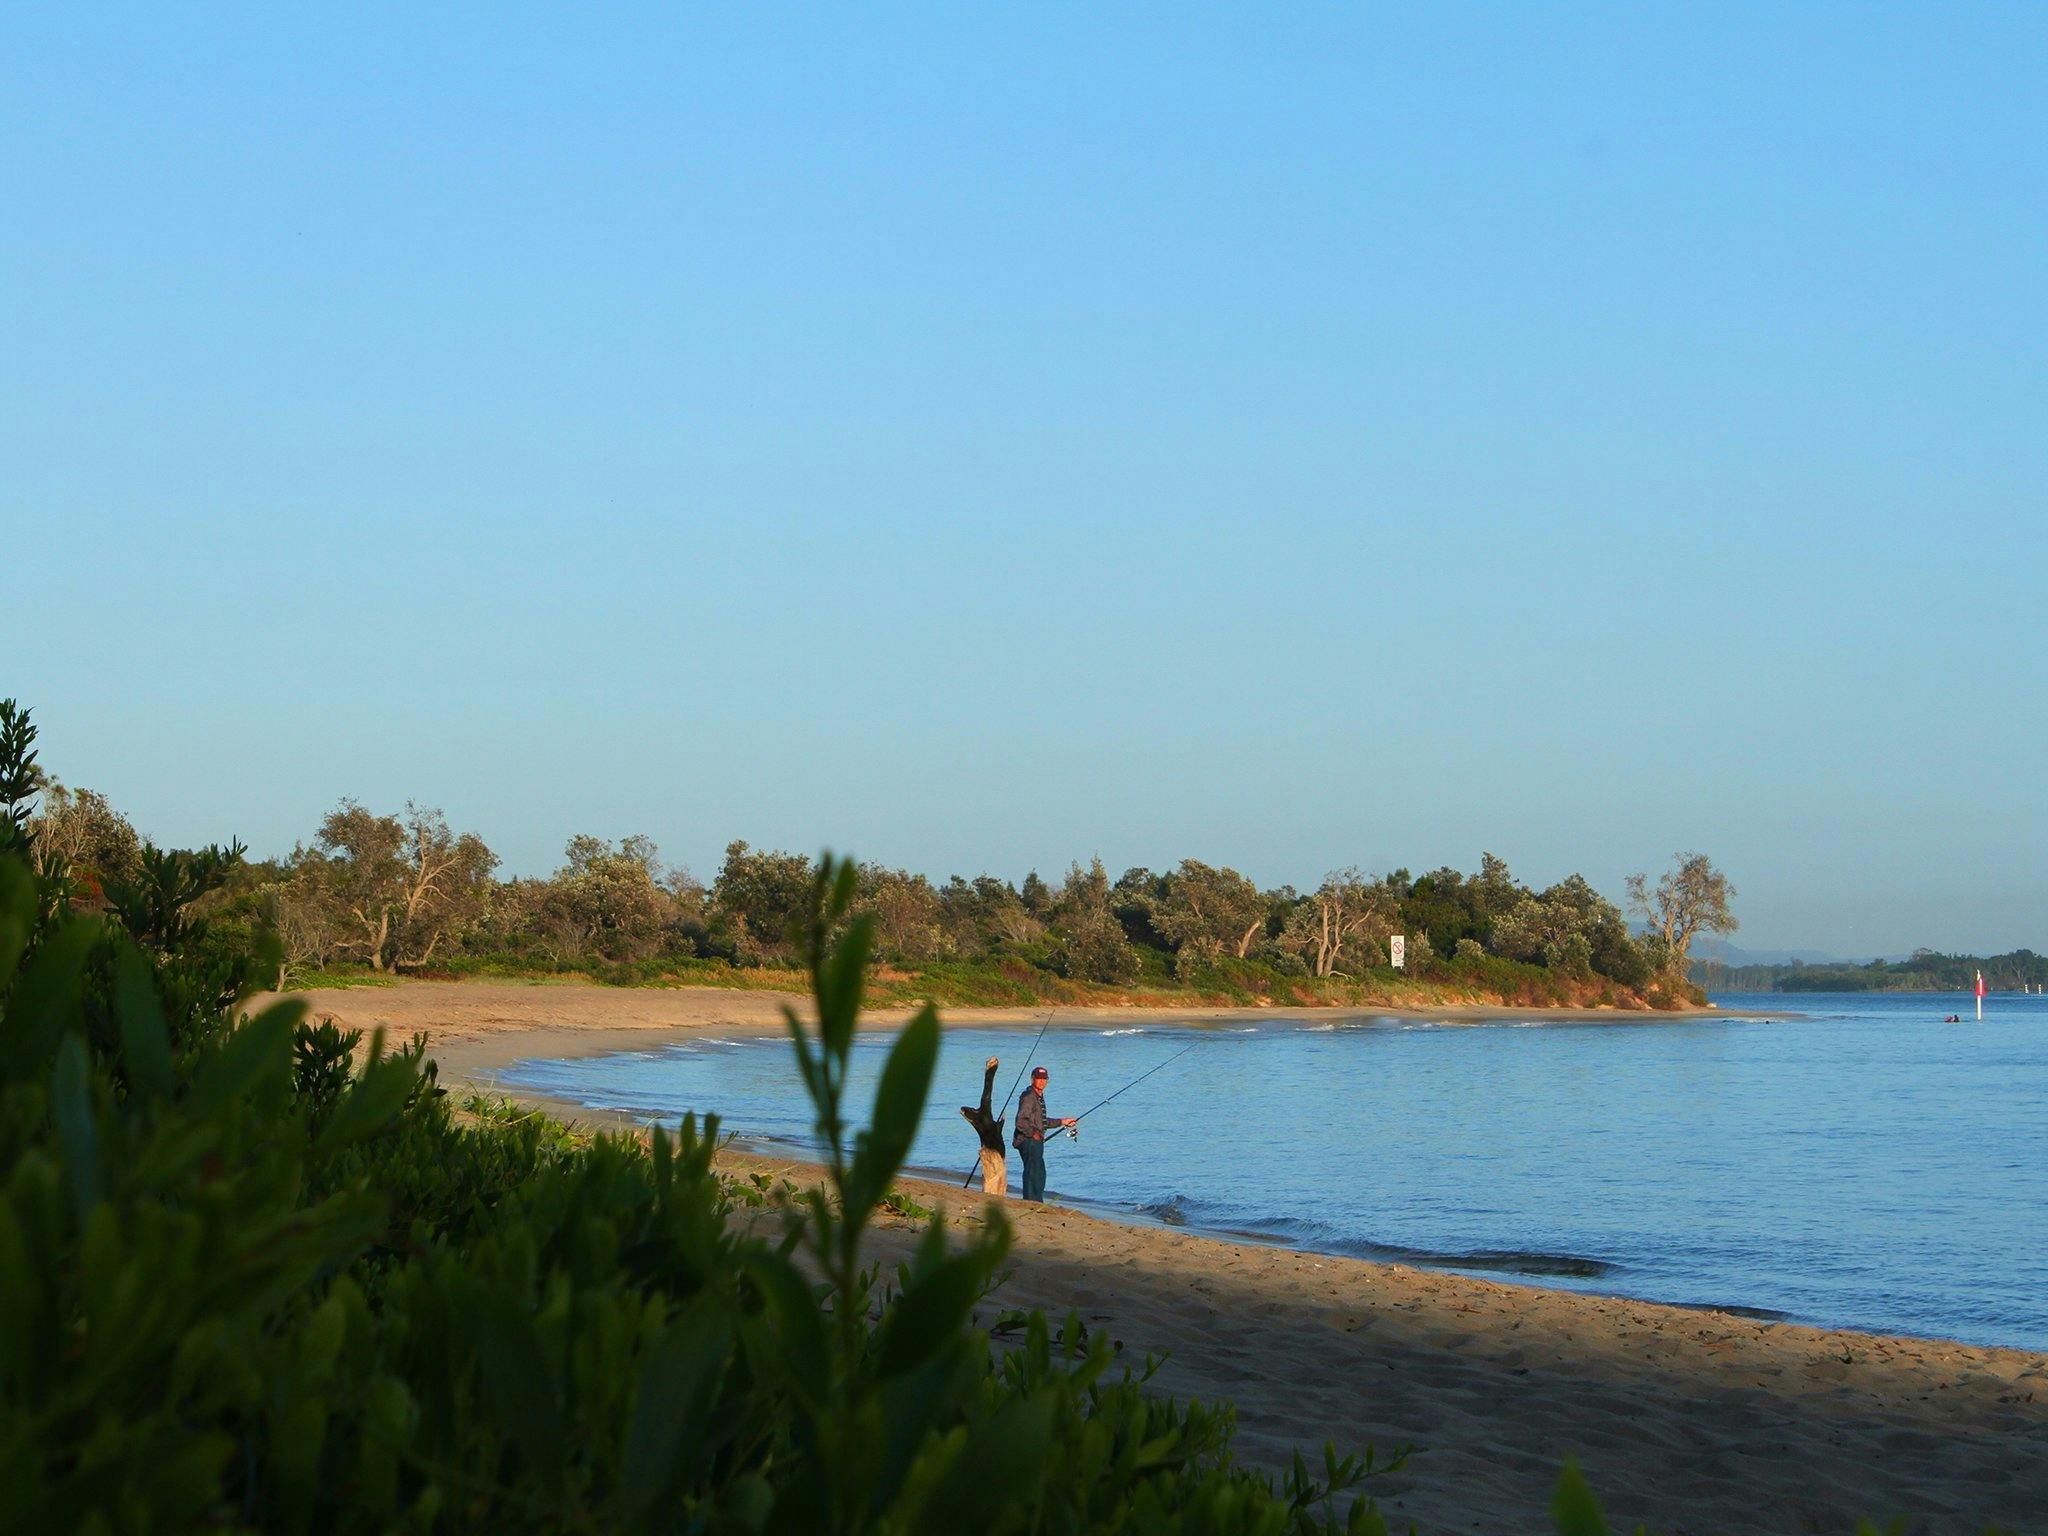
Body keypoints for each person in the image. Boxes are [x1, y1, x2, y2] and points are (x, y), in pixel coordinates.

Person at [1012, 1065, 1075, 1202]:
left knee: (1039, 1172)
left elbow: (1042, 1122)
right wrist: (1033, 1134)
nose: (1042, 1081)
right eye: (1039, 1078)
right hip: (1028, 1141)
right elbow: (1020, 1121)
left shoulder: (1038, 1097)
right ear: (1032, 1079)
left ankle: (1036, 1200)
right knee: (1033, 1172)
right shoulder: (1029, 1097)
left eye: (1044, 1079)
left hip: (1034, 1141)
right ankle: (1031, 1201)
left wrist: (1063, 1122)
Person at [959, 1055, 1008, 1196]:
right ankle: (991, 1070)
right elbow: (986, 1097)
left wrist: (1000, 1124)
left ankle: (991, 1070)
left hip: (992, 1150)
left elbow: (986, 1098)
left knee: (986, 1100)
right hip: (994, 1152)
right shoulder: (981, 1118)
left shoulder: (978, 1119)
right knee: (986, 1100)